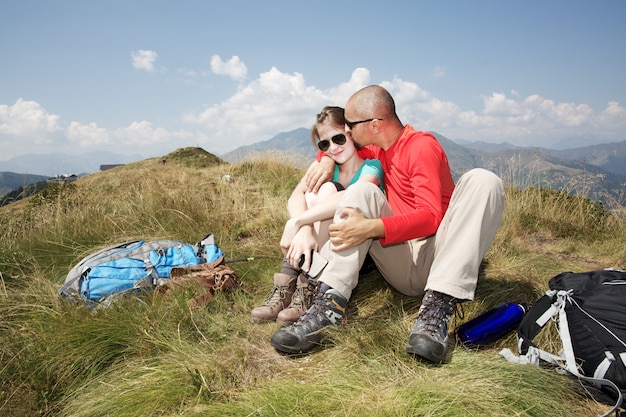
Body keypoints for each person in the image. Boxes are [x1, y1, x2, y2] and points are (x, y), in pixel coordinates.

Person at [270, 85, 505, 363]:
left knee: (483, 180)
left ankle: (436, 311)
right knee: (361, 192)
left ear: (374, 125)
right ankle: (328, 305)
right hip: (403, 261)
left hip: (441, 255)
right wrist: (323, 160)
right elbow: (339, 145)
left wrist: (371, 228)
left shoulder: (420, 146)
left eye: (351, 124)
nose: (347, 130)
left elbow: (430, 217)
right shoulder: (378, 149)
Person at [251, 106, 384, 325]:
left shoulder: (372, 167)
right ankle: (290, 282)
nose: (333, 147)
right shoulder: (324, 165)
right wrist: (303, 230)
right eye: (325, 144)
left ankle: (309, 283)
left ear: (351, 133)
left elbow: (350, 197)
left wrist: (300, 221)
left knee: (328, 191)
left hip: (354, 251)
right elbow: (296, 196)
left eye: (339, 138)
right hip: (320, 243)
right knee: (313, 192)